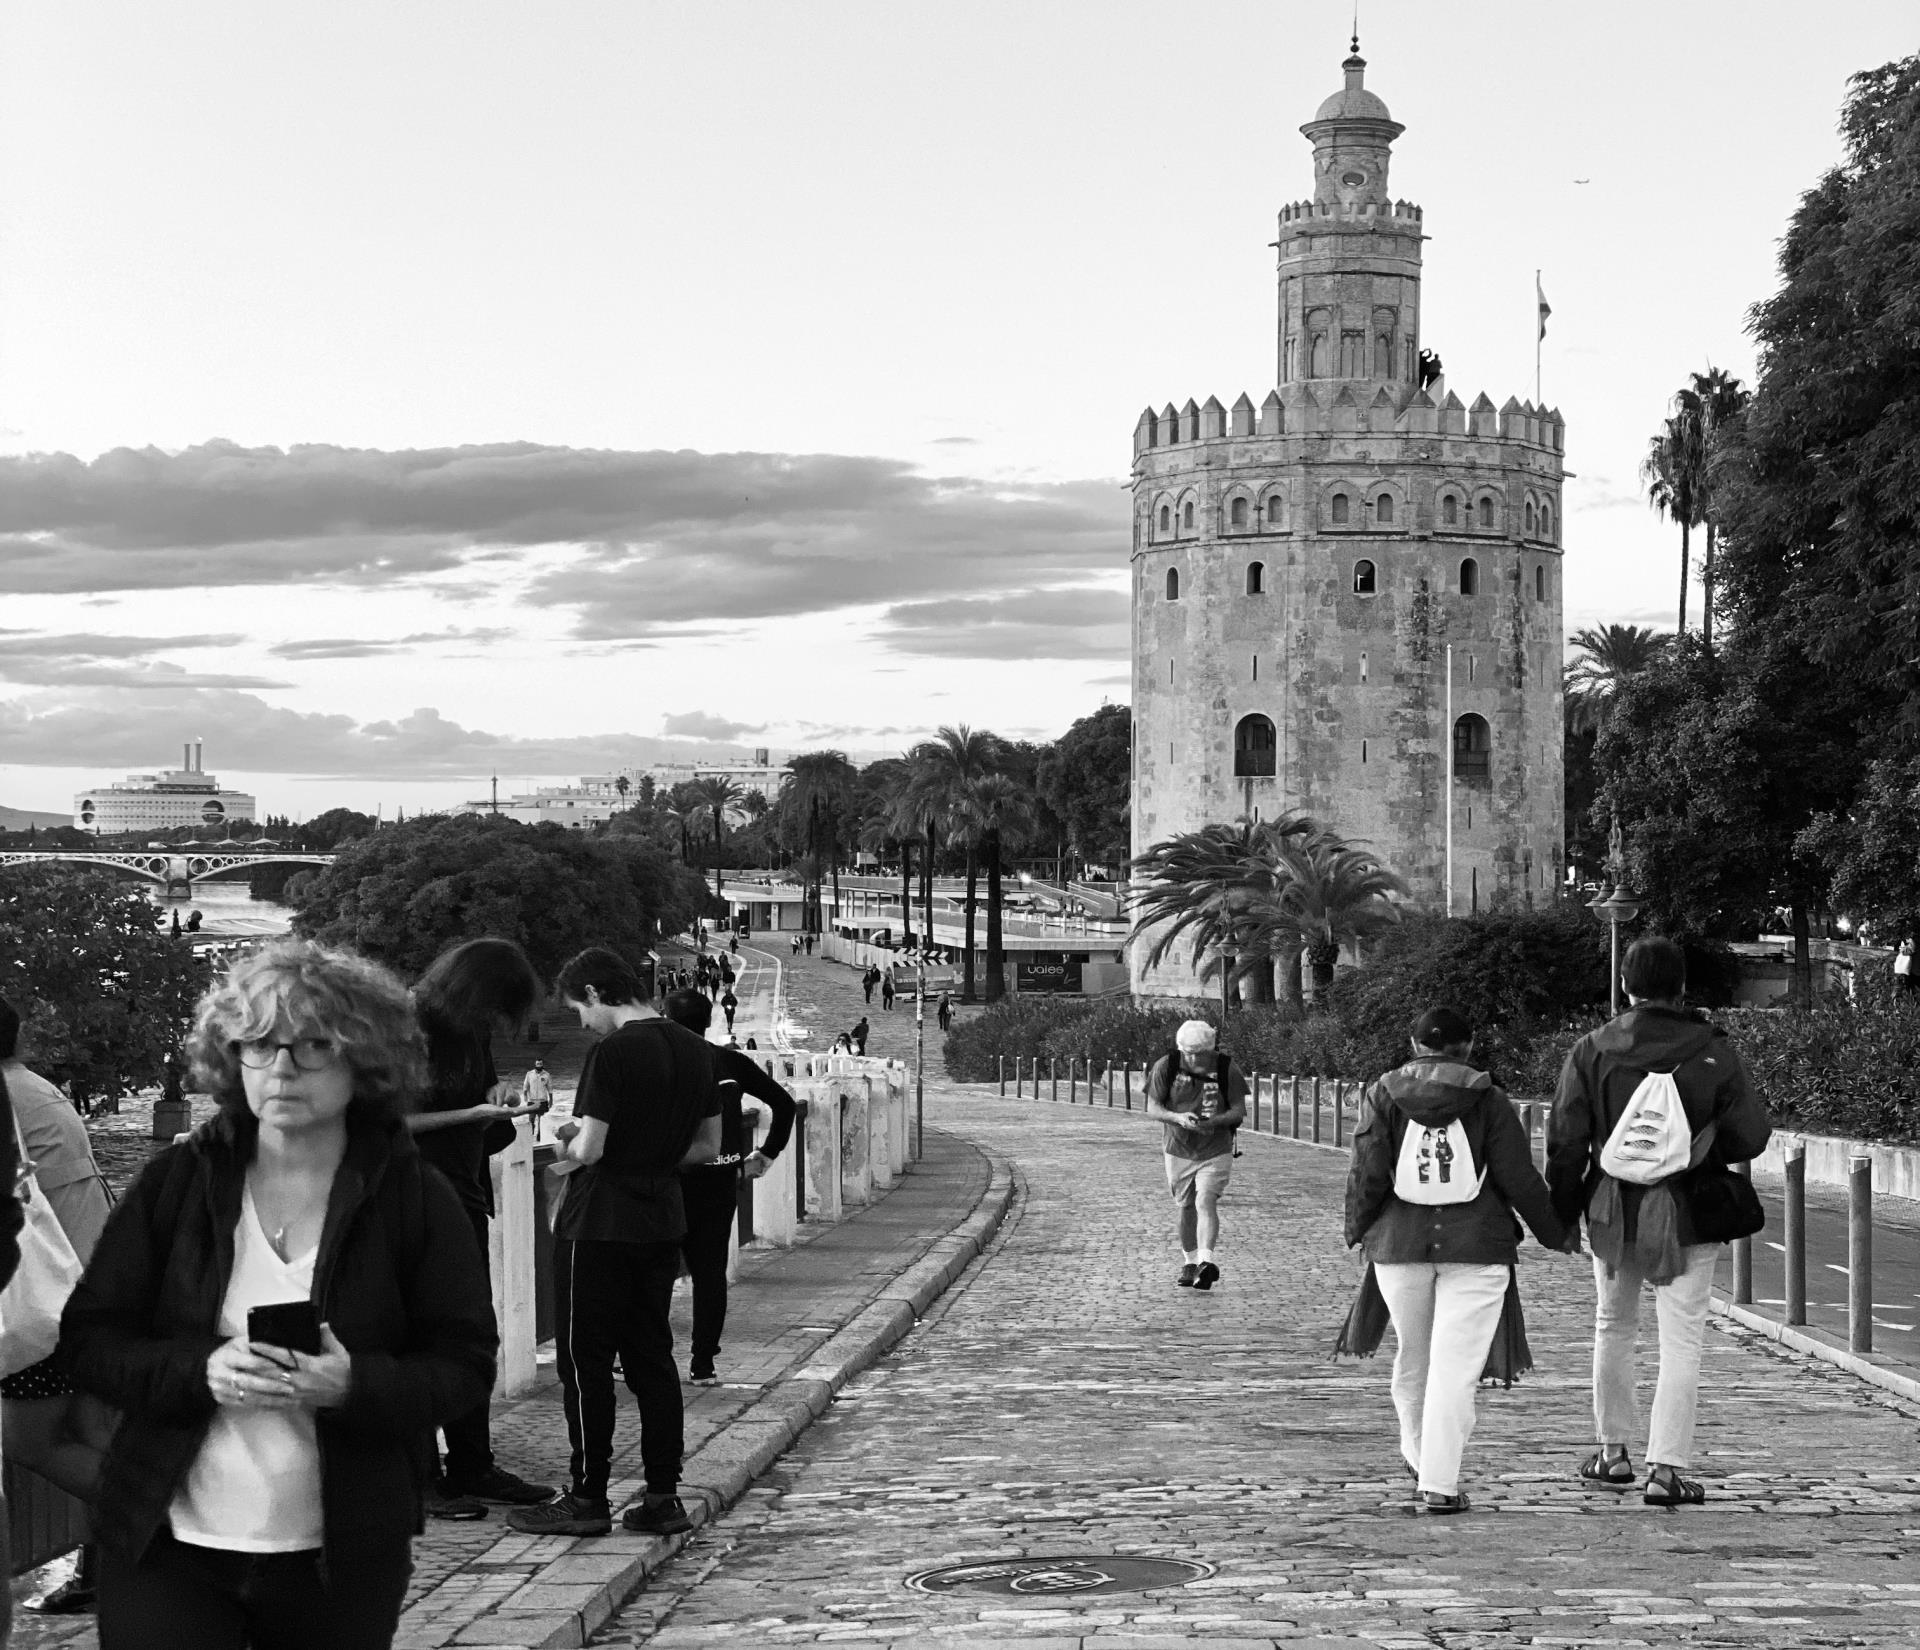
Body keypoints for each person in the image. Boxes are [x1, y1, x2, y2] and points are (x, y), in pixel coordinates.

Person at [62, 940, 497, 1650]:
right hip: (165, 1543)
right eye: (259, 1045)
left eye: (314, 1046)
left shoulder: (414, 1198)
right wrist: (201, 1370)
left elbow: (463, 1365)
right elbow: (90, 1340)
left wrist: (353, 1384)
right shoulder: (177, 1184)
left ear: (364, 1057)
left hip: (341, 1555)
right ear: (231, 1058)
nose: (283, 1068)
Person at [1547, 936, 1773, 1507]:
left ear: (1626, 985)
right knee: (1683, 1341)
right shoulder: (1714, 1051)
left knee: (1613, 1327)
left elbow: (1566, 1142)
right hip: (1691, 1211)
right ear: (1681, 988)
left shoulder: (1592, 1049)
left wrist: (1562, 1212)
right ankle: (1666, 1470)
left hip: (1612, 1211)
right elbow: (1752, 1135)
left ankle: (1612, 1453)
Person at [508, 948, 720, 1539]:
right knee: (652, 1358)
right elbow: (707, 1146)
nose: (582, 1022)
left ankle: (587, 1497)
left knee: (585, 1360)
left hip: (598, 1222)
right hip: (661, 1218)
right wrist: (649, 1156)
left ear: (598, 993)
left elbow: (592, 1149)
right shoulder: (695, 1048)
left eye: (580, 1008)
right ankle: (661, 1496)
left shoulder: (614, 1050)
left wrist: (568, 1142)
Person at [1343, 1007, 1571, 1514]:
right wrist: (1557, 1234)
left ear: (1414, 1041)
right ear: (1469, 1046)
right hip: (1479, 1245)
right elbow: (1519, 1177)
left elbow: (1367, 1171)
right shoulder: (1489, 1101)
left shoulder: (1383, 1094)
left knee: (1414, 1354)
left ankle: (1418, 1452)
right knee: (1455, 1368)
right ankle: (1439, 1480)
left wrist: (1356, 1229)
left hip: (1398, 1246)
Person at [406, 938, 552, 1519]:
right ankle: (421, 1477)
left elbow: (483, 1109)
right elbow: (377, 1122)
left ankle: (473, 1463)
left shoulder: (472, 1028)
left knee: (471, 1336)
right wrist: (469, 1115)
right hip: (406, 1198)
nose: (495, 1018)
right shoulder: (404, 1021)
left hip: (464, 1195)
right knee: (417, 1339)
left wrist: (499, 1099)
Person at [1, 992, 116, 1614]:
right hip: (87, 1286)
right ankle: (114, 1567)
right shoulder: (32, 1086)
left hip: (48, 1303)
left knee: (32, 1441)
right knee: (92, 1431)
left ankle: (170, 1529)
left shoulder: (10, 1095)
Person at [659, 990, 797, 1385]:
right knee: (709, 1273)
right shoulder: (730, 1062)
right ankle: (703, 1364)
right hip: (721, 1180)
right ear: (708, 1022)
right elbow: (784, 1105)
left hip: (671, 1181)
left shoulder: (663, 1060)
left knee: (657, 1268)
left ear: (667, 1020)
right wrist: (765, 1156)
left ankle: (646, 1355)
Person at [1143, 1020, 1246, 1290]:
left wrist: (1214, 1122)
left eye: (1198, 1053)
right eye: (1187, 1052)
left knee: (1205, 1200)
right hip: (1178, 1148)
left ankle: (1206, 1261)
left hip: (1216, 1147)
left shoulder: (1226, 1068)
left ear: (1209, 1049)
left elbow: (1238, 1111)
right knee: (1186, 1206)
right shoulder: (1166, 1066)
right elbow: (1153, 1108)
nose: (1191, 1058)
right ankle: (1189, 1262)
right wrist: (1177, 1118)